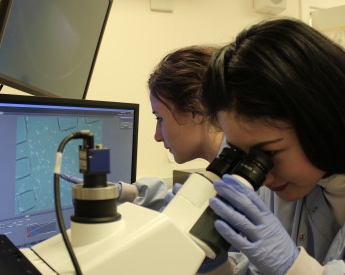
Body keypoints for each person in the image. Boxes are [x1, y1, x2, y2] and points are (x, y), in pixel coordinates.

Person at [196, 18, 345, 275]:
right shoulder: (287, 184)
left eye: (269, 152)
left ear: (325, 120)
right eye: (243, 154)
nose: (263, 177)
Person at [63, 45, 227, 211]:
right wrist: (124, 192)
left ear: (195, 110)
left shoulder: (241, 187)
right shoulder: (225, 173)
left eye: (160, 118)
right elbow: (175, 198)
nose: (157, 136)